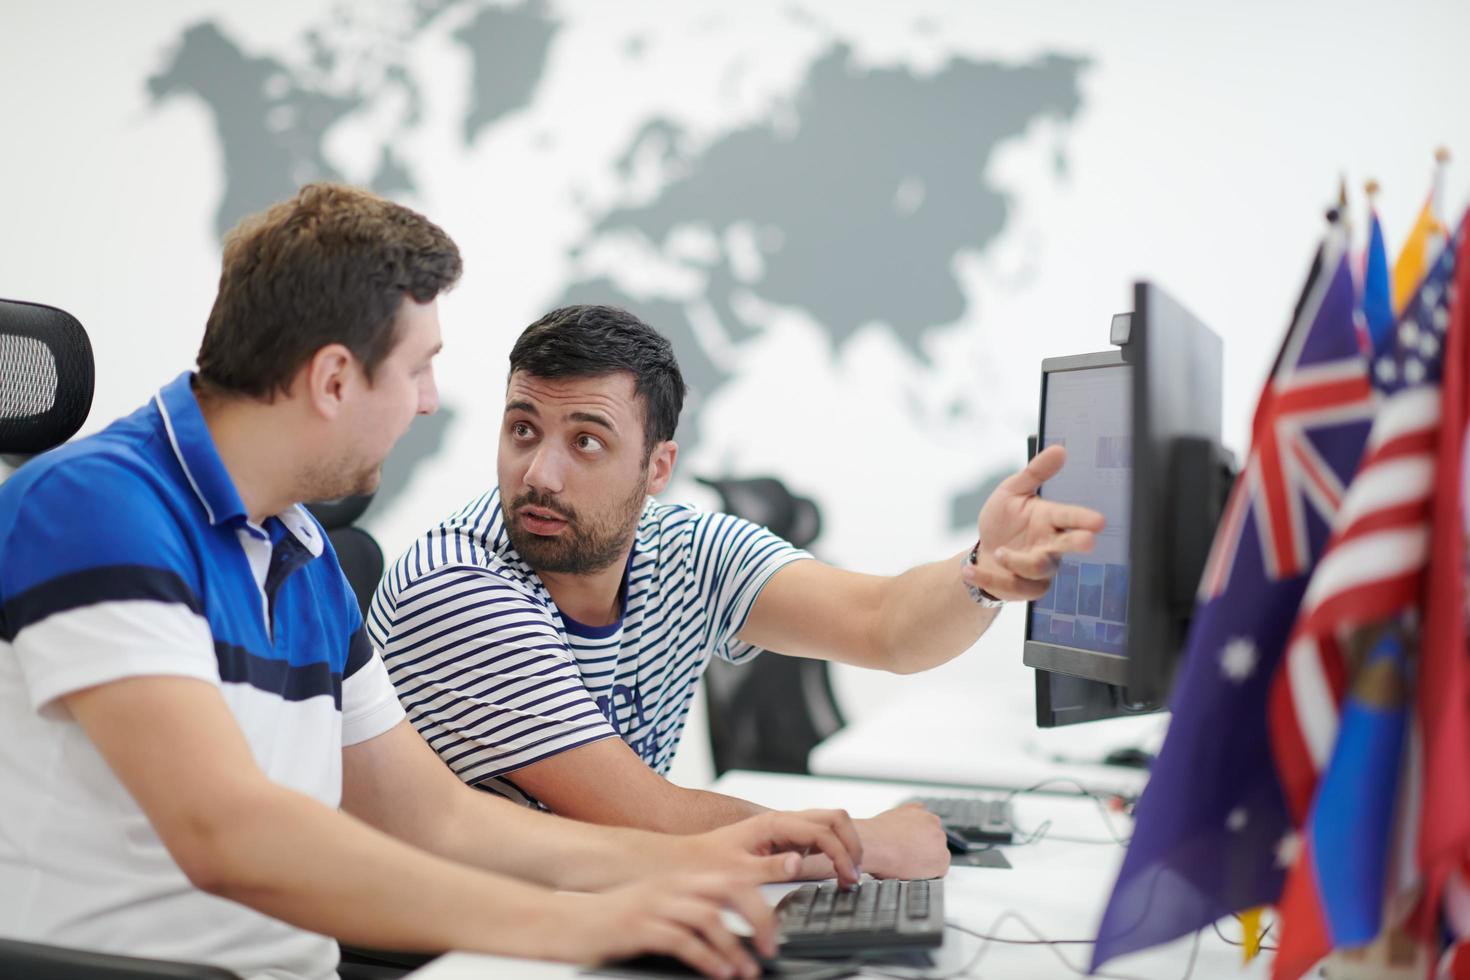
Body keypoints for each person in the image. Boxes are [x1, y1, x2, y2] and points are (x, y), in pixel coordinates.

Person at [0, 187, 864, 980]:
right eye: (417, 367)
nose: (427, 400)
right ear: (335, 379)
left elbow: (432, 817)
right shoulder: (94, 509)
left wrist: (702, 859)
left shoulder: (293, 543)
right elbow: (229, 834)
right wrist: (573, 926)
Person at [369, 304, 1106, 880]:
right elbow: (644, 818)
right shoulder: (461, 588)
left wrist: (980, 572)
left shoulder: (682, 545)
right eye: (522, 430)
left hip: (593, 912)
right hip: (460, 956)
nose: (539, 473)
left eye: (585, 441)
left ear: (657, 470)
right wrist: (867, 843)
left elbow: (885, 625)